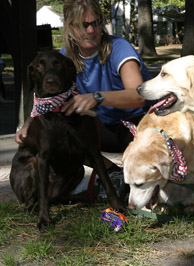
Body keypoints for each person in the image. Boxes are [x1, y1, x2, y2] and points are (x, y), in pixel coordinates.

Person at [15, 0, 153, 198]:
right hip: (102, 126)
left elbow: (139, 97)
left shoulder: (119, 47)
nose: (90, 30)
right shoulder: (64, 58)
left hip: (136, 123)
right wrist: (29, 124)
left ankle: (144, 177)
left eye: (95, 23)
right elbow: (48, 100)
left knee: (147, 155)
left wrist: (97, 97)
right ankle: (113, 173)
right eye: (83, 25)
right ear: (69, 27)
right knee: (62, 129)